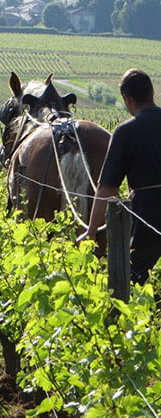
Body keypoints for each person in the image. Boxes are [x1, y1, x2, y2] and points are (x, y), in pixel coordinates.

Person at [80, 69, 161, 285]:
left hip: (148, 214)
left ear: (127, 98)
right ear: (151, 92)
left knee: (132, 279)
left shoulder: (126, 132)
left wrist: (91, 231)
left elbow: (107, 188)